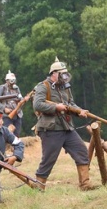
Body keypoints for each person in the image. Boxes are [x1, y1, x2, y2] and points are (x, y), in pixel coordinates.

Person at [32, 57, 96, 191]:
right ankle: (39, 187)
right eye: (62, 73)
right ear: (54, 73)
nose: (65, 76)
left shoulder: (65, 88)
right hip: (51, 129)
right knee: (49, 159)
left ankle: (85, 184)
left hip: (67, 127)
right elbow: (37, 104)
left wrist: (79, 111)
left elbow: (70, 103)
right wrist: (56, 107)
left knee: (81, 151)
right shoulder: (43, 86)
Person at [0, 70, 24, 136]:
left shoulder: (16, 88)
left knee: (17, 134)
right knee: (8, 133)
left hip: (17, 114)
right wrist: (4, 109)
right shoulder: (2, 88)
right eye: (11, 80)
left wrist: (21, 102)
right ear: (7, 80)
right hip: (6, 116)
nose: (13, 82)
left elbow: (21, 98)